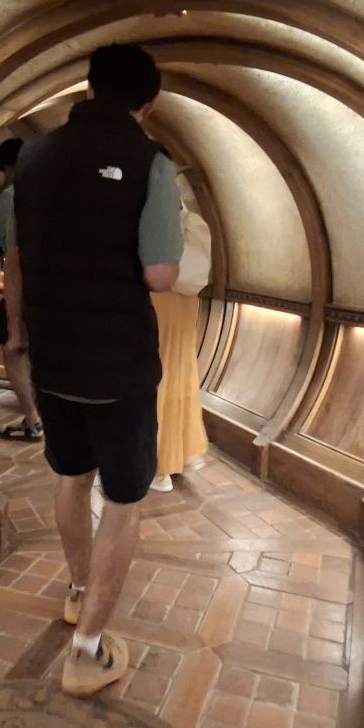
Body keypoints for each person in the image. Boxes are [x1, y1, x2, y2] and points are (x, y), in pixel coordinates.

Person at [5, 44, 182, 696]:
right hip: (119, 363)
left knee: (71, 477)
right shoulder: (150, 162)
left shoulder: (33, 157)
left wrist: (18, 332)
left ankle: (78, 592)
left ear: (88, 87)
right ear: (149, 102)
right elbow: (160, 276)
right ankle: (87, 653)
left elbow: (16, 256)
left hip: (54, 357)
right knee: (125, 501)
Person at [150, 169, 211, 492]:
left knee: (155, 378)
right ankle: (180, 454)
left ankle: (158, 462)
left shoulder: (151, 222)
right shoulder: (195, 223)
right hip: (185, 306)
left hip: (158, 303)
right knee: (180, 374)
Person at [0, 138, 42, 441]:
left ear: (10, 167)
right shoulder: (59, 188)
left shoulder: (13, 195)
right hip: (59, 288)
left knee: (13, 347)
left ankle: (32, 418)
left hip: (25, 286)